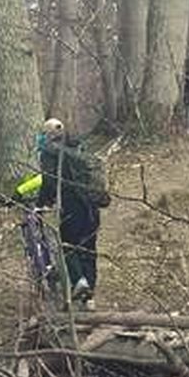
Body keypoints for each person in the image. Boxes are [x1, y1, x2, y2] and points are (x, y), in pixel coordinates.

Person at [35, 118, 111, 310]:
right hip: (92, 208)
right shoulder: (79, 147)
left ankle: (80, 282)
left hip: (71, 207)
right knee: (89, 251)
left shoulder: (50, 154)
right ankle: (90, 298)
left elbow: (49, 182)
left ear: (48, 134)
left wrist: (41, 204)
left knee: (68, 245)